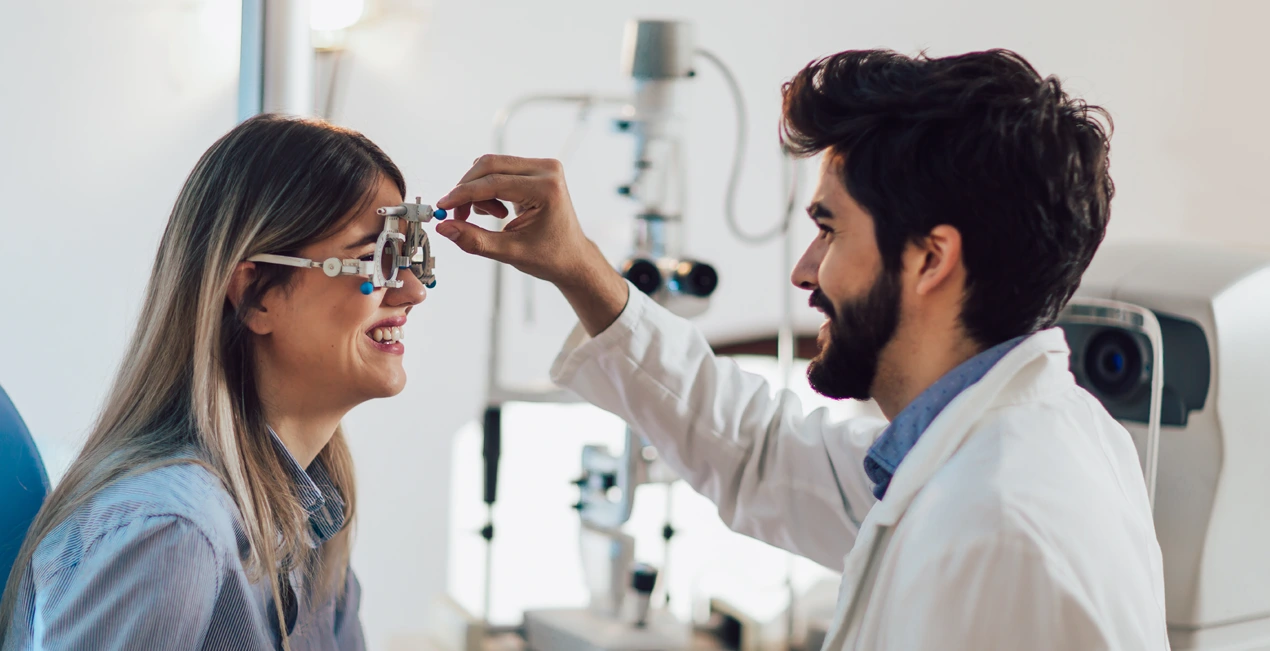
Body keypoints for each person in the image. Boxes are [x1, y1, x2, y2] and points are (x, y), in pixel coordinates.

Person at [434, 49, 1169, 649]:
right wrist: (581, 270)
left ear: (929, 259)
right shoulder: (983, 451)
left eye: (830, 228)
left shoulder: (998, 532)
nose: (804, 270)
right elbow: (760, 452)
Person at [0, 114, 428, 650]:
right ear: (257, 294)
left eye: (407, 260)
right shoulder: (171, 531)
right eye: (375, 260)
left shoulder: (316, 518)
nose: (412, 291)